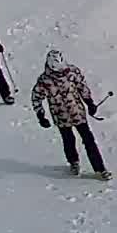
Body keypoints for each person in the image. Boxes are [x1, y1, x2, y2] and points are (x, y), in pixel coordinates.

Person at [31, 49, 109, 179]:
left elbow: (82, 87)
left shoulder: (72, 72)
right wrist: (41, 115)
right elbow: (36, 97)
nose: (62, 71)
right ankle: (73, 162)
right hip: (60, 115)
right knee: (68, 140)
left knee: (89, 140)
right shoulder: (44, 80)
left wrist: (89, 103)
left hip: (77, 112)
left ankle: (100, 169)